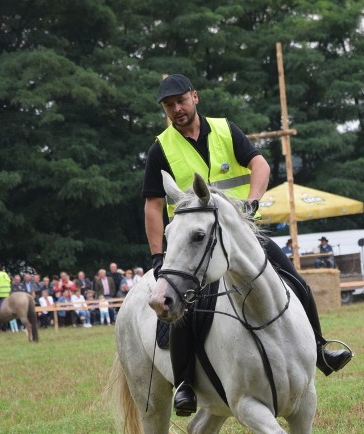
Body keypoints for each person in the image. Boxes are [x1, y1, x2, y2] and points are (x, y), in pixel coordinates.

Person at [141, 74, 352, 416]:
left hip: (242, 236)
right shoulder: (160, 148)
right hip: (196, 246)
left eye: (181, 101)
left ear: (195, 97)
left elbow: (259, 164)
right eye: (169, 106)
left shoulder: (226, 130)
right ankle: (184, 385)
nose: (177, 109)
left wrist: (252, 203)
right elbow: (152, 205)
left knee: (297, 282)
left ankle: (320, 348)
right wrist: (156, 254)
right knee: (190, 311)